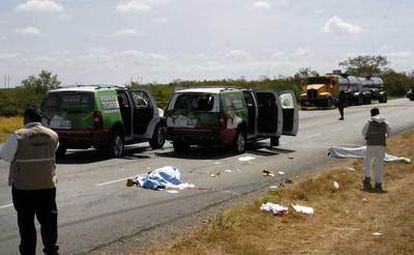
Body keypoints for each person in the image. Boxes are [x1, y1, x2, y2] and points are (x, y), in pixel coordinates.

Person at [0, 107, 60, 255]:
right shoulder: (53, 135)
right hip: (47, 186)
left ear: (26, 119)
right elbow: (54, 150)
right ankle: (51, 250)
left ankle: (28, 252)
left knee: (26, 223)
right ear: (40, 120)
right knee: (49, 221)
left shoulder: (18, 136)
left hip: (23, 188)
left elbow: (6, 156)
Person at [361, 107, 391, 192]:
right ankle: (378, 184)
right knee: (379, 164)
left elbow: (363, 132)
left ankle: (367, 178)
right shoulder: (385, 122)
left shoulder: (369, 122)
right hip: (381, 145)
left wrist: (367, 137)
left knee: (368, 161)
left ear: (371, 114)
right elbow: (389, 132)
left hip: (371, 144)